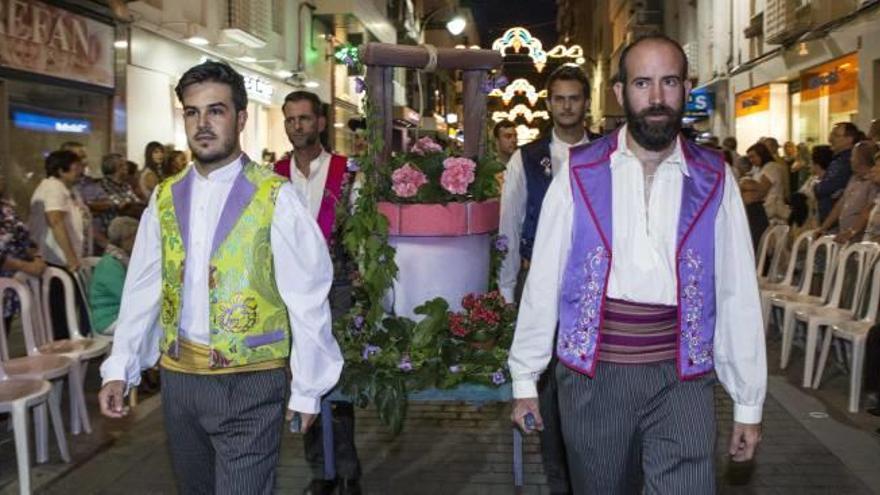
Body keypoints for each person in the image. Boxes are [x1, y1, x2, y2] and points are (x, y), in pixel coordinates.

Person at [508, 34, 766, 494]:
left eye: (669, 82)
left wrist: (748, 402)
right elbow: (545, 280)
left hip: (682, 376)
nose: (657, 98)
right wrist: (525, 376)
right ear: (620, 92)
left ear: (687, 88)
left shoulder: (715, 177)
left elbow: (737, 293)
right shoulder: (580, 172)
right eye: (643, 83)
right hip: (594, 376)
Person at [98, 61, 343, 494]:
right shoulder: (165, 196)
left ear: (241, 118)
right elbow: (143, 287)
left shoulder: (276, 197)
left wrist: (308, 386)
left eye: (216, 111)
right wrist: (121, 366)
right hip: (179, 382)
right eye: (192, 112)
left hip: (251, 380)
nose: (203, 124)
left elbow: (307, 296)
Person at [499, 64, 600, 495]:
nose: (566, 106)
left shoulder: (608, 154)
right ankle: (560, 480)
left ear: (586, 102)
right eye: (558, 98)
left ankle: (596, 469)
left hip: (595, 289)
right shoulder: (526, 159)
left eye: (574, 98)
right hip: (537, 286)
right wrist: (506, 290)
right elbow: (509, 224)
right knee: (548, 391)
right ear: (549, 103)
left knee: (593, 385)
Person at [273, 91, 362, 495]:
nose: (297, 127)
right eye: (290, 120)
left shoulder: (347, 172)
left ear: (321, 123)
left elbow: (363, 233)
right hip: (289, 293)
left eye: (305, 119)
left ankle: (346, 470)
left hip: (338, 287)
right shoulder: (272, 175)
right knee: (302, 379)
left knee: (336, 381)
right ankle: (320, 473)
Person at [29, 150, 92, 339]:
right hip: (56, 261)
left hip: (66, 260)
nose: (80, 169)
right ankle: (64, 356)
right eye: (75, 166)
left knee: (69, 311)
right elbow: (55, 221)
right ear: (61, 170)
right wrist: (71, 258)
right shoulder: (52, 187)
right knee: (60, 316)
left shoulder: (68, 189)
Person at [0, 173, 46, 332]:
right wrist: (24, 266)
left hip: (10, 287)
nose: (1, 178)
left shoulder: (6, 208)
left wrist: (37, 257)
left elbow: (24, 237)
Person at [814, 141, 880, 243]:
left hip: (861, 239)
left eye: (853, 156)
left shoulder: (873, 184)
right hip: (846, 236)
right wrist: (823, 227)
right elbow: (841, 204)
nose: (850, 159)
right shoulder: (853, 178)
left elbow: (867, 211)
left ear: (862, 159)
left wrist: (852, 231)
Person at [82, 153, 144, 253]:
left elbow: (136, 201)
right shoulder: (98, 187)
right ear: (115, 168)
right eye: (123, 165)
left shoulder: (126, 186)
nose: (126, 167)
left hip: (130, 225)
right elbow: (90, 206)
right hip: (110, 229)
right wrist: (114, 204)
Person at [88, 216, 138, 335]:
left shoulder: (123, 259)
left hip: (122, 314)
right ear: (126, 239)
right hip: (109, 319)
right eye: (136, 237)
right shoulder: (110, 264)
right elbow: (126, 295)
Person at [815, 122, 859, 222]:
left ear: (849, 139)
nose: (830, 139)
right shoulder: (838, 160)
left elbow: (824, 188)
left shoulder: (843, 162)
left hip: (836, 220)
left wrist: (816, 184)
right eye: (831, 134)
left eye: (836, 135)